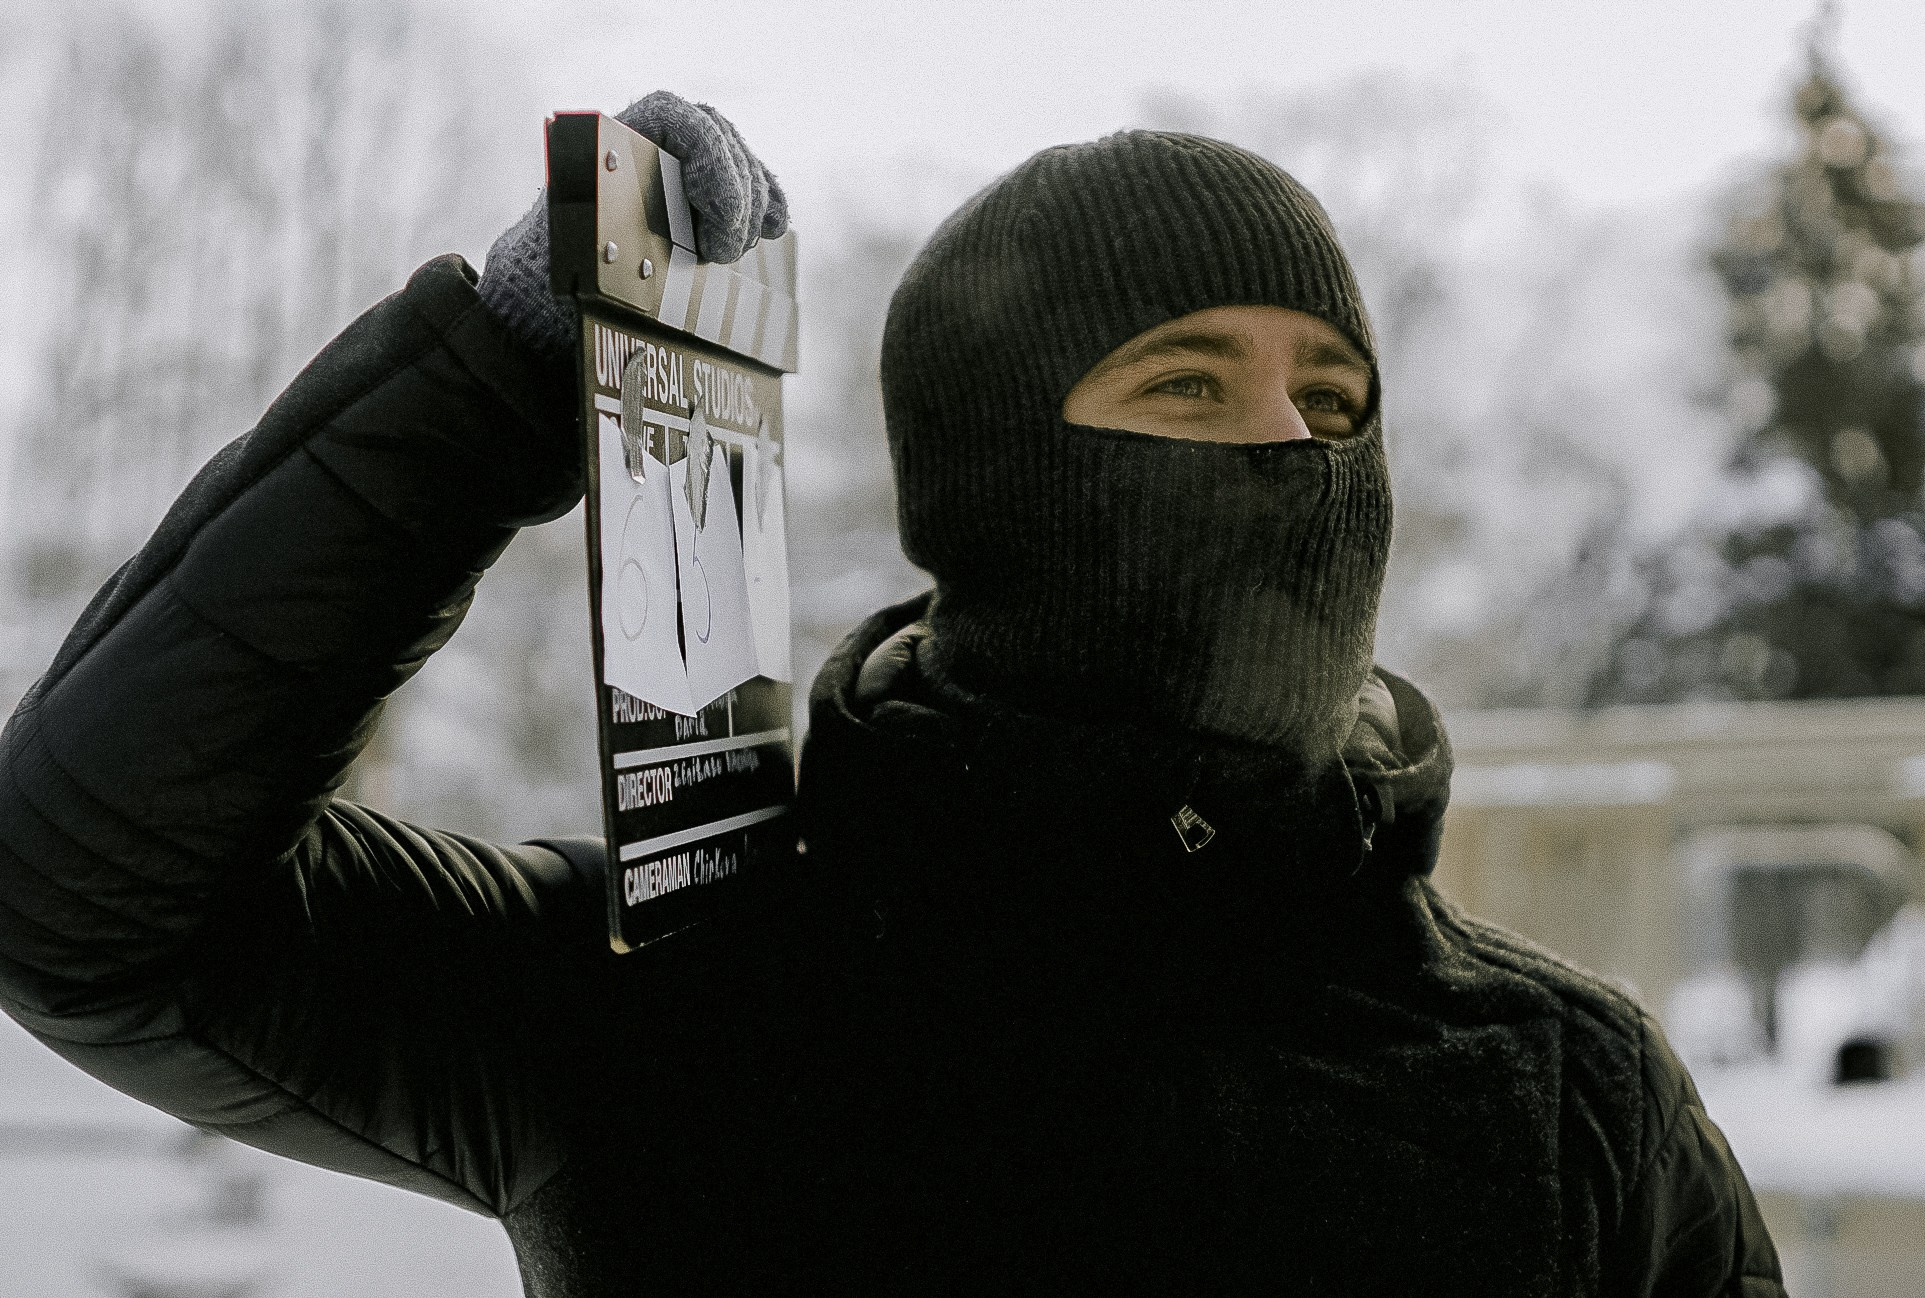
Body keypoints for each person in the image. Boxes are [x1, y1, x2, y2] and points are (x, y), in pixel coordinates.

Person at [0, 91, 1785, 1296]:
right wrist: (492, 385)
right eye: (1185, 384)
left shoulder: (1562, 1086)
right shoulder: (681, 982)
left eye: (1333, 398)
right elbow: (89, 901)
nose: (1286, 449)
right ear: (992, 480)